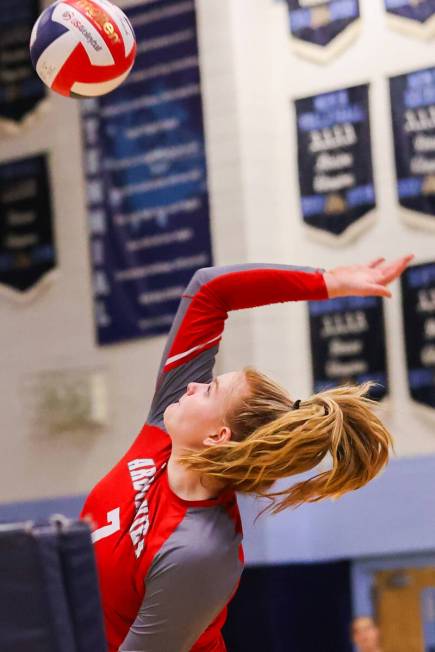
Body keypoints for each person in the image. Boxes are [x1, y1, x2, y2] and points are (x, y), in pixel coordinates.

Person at [81, 256, 412, 652]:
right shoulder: (164, 436)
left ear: (218, 435)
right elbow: (209, 290)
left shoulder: (198, 548)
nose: (191, 386)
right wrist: (328, 282)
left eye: (209, 389)